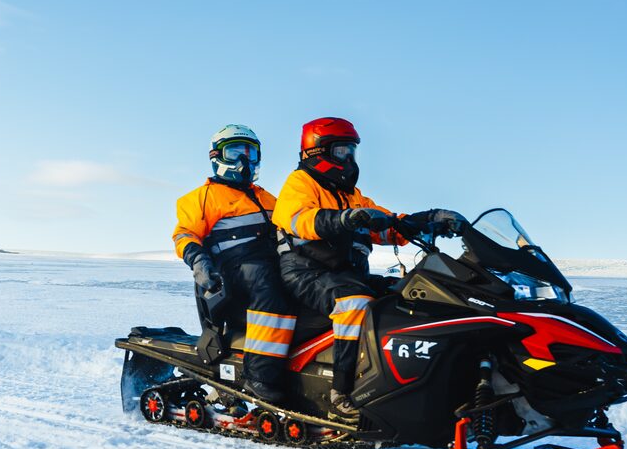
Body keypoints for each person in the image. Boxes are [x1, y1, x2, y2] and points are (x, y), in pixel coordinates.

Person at [273, 117, 459, 419]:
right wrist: (344, 219)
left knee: (405, 296)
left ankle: (398, 381)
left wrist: (429, 219)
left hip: (345, 274)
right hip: (306, 273)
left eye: (352, 152)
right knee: (355, 304)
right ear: (318, 153)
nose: (350, 159)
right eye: (342, 151)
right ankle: (341, 390)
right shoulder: (299, 185)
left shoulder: (352, 197)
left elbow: (388, 225)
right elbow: (300, 219)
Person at [173, 125, 294, 403]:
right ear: (218, 155)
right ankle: (259, 375)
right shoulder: (200, 198)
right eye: (237, 151)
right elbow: (184, 234)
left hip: (270, 261)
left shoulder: (266, 197)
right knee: (269, 287)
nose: (245, 160)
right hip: (231, 270)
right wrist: (199, 261)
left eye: (252, 153)